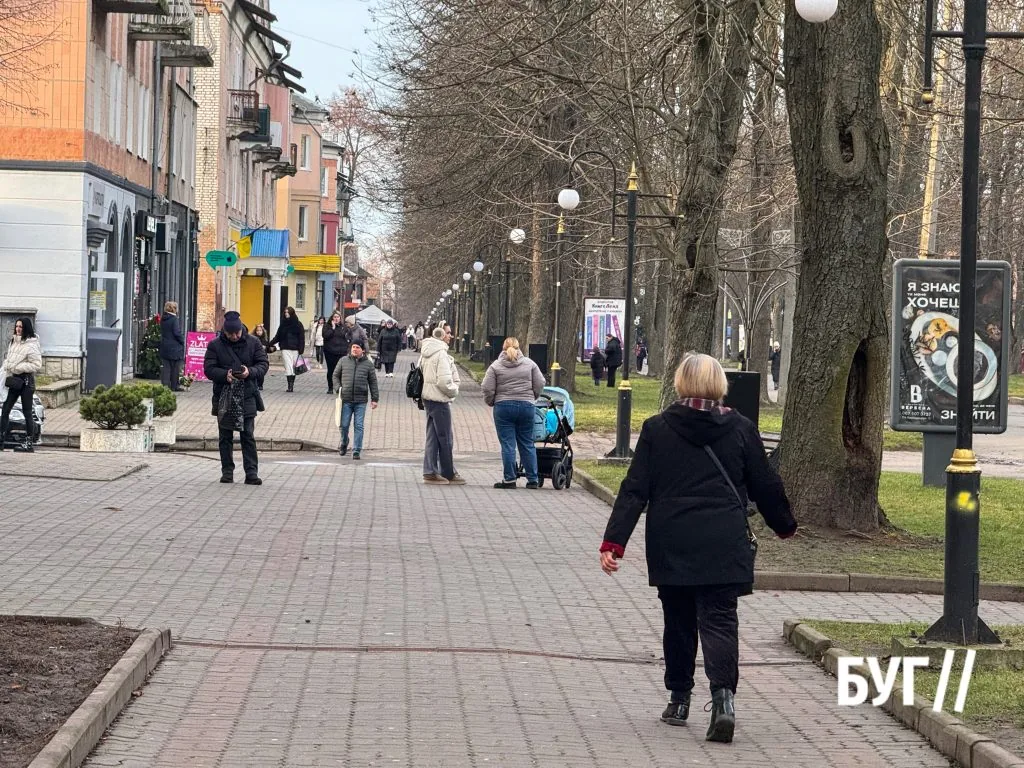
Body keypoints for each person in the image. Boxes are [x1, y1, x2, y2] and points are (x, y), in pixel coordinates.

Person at [599, 353, 796, 744]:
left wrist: (614, 543)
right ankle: (723, 701)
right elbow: (764, 484)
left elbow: (635, 489)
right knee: (720, 620)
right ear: (719, 385)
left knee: (679, 620)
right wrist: (784, 525)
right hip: (723, 541)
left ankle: (679, 699)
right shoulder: (741, 428)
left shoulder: (657, 429)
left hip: (672, 540)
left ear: (680, 383)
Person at [203, 311, 269, 485]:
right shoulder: (215, 345)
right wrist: (226, 375)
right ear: (224, 332)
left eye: (237, 333)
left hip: (247, 394)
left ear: (241, 329)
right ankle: (227, 472)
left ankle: (251, 473)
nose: (234, 336)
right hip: (224, 396)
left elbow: (263, 364)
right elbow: (208, 369)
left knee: (248, 435)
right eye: (230, 333)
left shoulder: (253, 343)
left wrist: (250, 372)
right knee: (225, 436)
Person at [482, 337, 545, 489]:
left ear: (503, 348)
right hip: (526, 406)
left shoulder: (495, 366)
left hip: (503, 407)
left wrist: (491, 401)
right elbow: (540, 382)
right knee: (527, 443)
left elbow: (487, 387)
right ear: (519, 347)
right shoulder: (530, 364)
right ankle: (532, 479)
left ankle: (510, 479)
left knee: (508, 444)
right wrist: (533, 397)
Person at [420, 325, 465, 485]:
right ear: (439, 334)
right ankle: (448, 471)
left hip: (428, 397)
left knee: (432, 436)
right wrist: (454, 391)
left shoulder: (426, 351)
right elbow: (444, 381)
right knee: (445, 438)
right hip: (439, 399)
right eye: (448, 333)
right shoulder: (440, 354)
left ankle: (430, 470)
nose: (450, 336)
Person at [0, 316, 43, 451]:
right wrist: (7, 366)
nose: (18, 329)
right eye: (17, 326)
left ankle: (29, 444)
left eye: (21, 327)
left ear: (26, 329)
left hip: (26, 382)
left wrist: (18, 367)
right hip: (14, 381)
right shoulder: (14, 341)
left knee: (27, 412)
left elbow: (37, 365)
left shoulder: (31, 344)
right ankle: (1, 440)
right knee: (6, 409)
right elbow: (9, 358)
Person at [333, 341, 379, 459]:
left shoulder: (368, 364)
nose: (354, 349)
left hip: (361, 400)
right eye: (353, 347)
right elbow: (335, 375)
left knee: (359, 425)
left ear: (362, 350)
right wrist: (338, 388)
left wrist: (375, 399)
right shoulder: (343, 361)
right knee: (343, 425)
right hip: (346, 399)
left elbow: (373, 382)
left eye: (357, 347)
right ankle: (344, 442)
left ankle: (356, 450)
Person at [268, 307, 305, 392]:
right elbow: (278, 336)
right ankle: (290, 386)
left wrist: (301, 349)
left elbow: (301, 338)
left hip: (295, 349)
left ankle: (292, 384)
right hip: (285, 348)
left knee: (293, 367)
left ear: (292, 313)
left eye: (288, 313)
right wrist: (269, 344)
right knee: (288, 366)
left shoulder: (298, 324)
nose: (286, 314)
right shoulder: (283, 324)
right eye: (285, 313)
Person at [159, 301, 185, 391]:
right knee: (175, 368)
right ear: (174, 309)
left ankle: (165, 386)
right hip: (174, 347)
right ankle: (174, 386)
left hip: (165, 346)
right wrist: (182, 341)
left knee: (166, 367)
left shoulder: (163, 319)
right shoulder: (174, 319)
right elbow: (176, 333)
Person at [322, 311, 347, 395]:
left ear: (340, 318)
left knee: (340, 371)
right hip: (330, 352)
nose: (336, 319)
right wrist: (332, 328)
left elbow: (346, 337)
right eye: (335, 317)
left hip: (341, 352)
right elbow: (325, 336)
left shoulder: (343, 327)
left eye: (338, 317)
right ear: (332, 318)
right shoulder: (327, 326)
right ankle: (330, 387)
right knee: (331, 370)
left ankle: (339, 388)